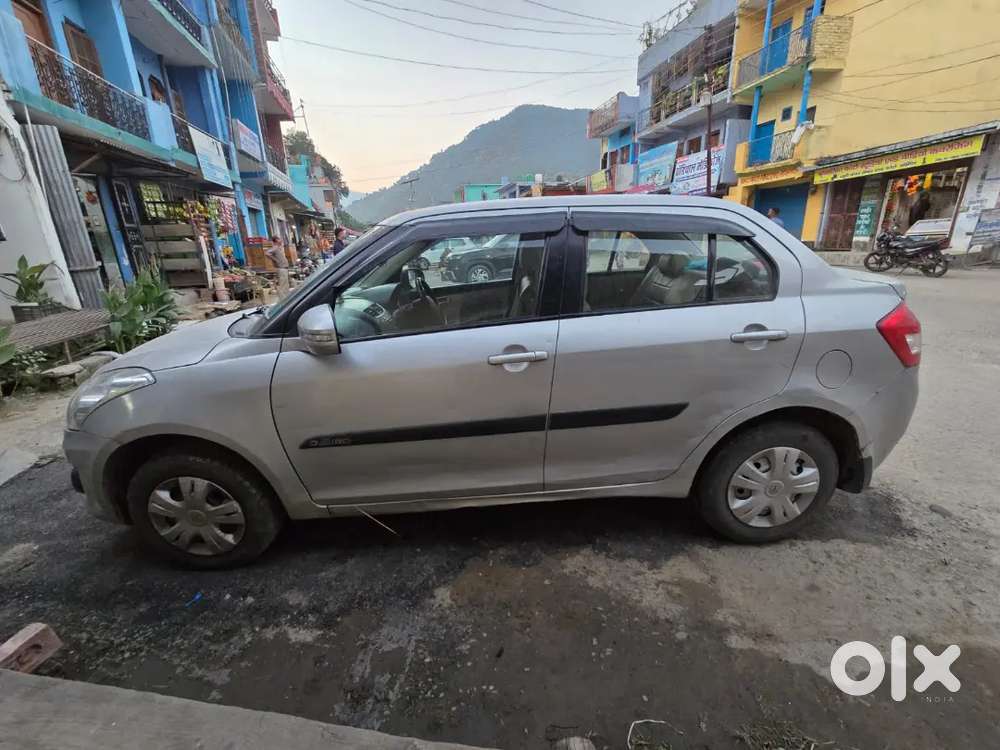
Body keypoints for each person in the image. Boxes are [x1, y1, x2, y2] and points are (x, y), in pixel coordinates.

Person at [265, 235, 290, 299]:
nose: (281, 240)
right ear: (276, 240)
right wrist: (275, 259)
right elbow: (267, 253)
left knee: (286, 285)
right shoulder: (275, 247)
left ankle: (287, 298)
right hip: (281, 268)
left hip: (284, 268)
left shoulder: (279, 247)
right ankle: (283, 299)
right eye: (279, 239)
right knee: (282, 285)